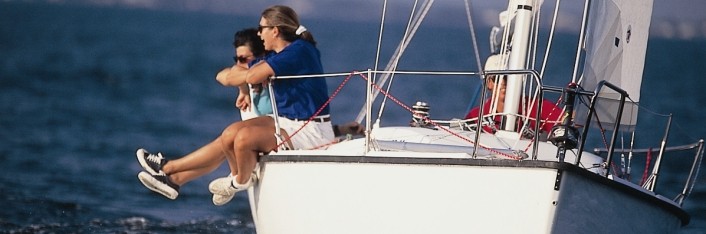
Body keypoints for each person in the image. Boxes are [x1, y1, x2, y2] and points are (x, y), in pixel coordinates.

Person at [136, 24, 363, 203]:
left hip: (258, 144)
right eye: (236, 58)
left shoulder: (272, 83)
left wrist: (246, 81)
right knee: (225, 142)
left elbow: (295, 124)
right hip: (251, 144)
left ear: (261, 57)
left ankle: (169, 169)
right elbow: (225, 76)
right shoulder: (250, 80)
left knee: (225, 142)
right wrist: (244, 84)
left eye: (244, 59)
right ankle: (175, 179)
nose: (239, 63)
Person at [465, 55, 563, 139]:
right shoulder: (475, 116)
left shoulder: (536, 107)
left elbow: (564, 121)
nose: (503, 82)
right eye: (497, 78)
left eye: (507, 77)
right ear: (489, 83)